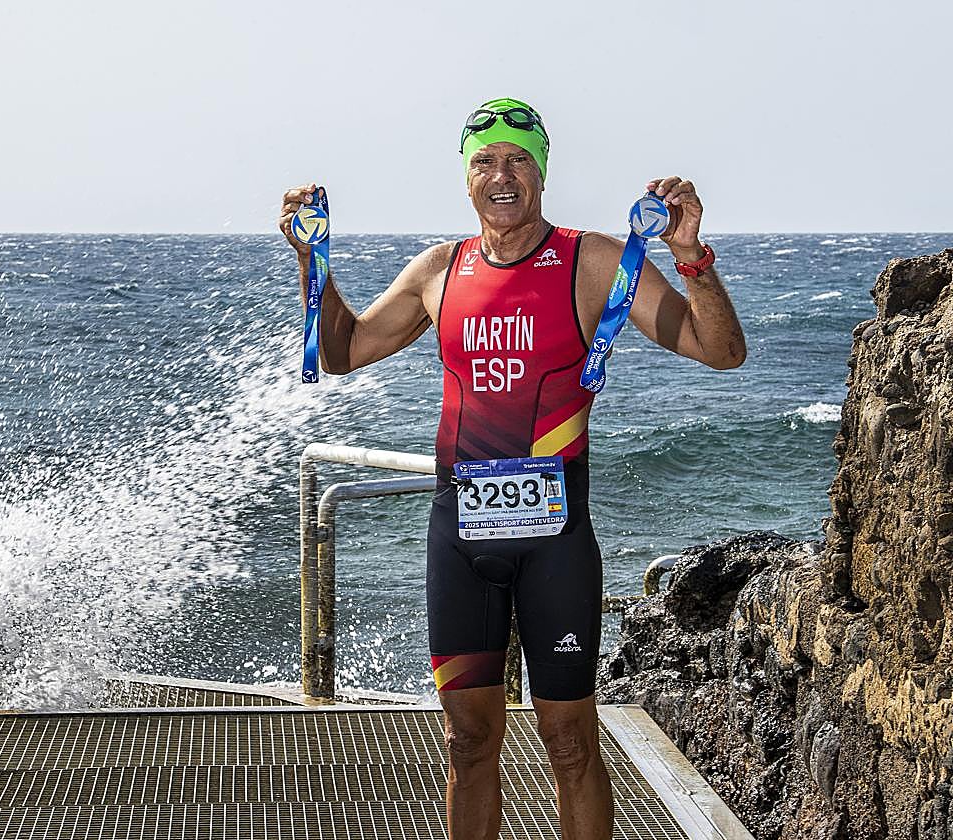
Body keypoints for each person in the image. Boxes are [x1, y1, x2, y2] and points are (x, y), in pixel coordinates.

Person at [278, 97, 745, 840]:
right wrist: (314, 259)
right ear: (467, 178)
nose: (502, 175)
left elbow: (720, 351)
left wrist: (691, 255)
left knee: (569, 741)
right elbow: (343, 352)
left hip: (555, 545)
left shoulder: (593, 262)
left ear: (543, 173)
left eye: (519, 159)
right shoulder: (440, 270)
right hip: (460, 540)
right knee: (467, 740)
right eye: (486, 161)